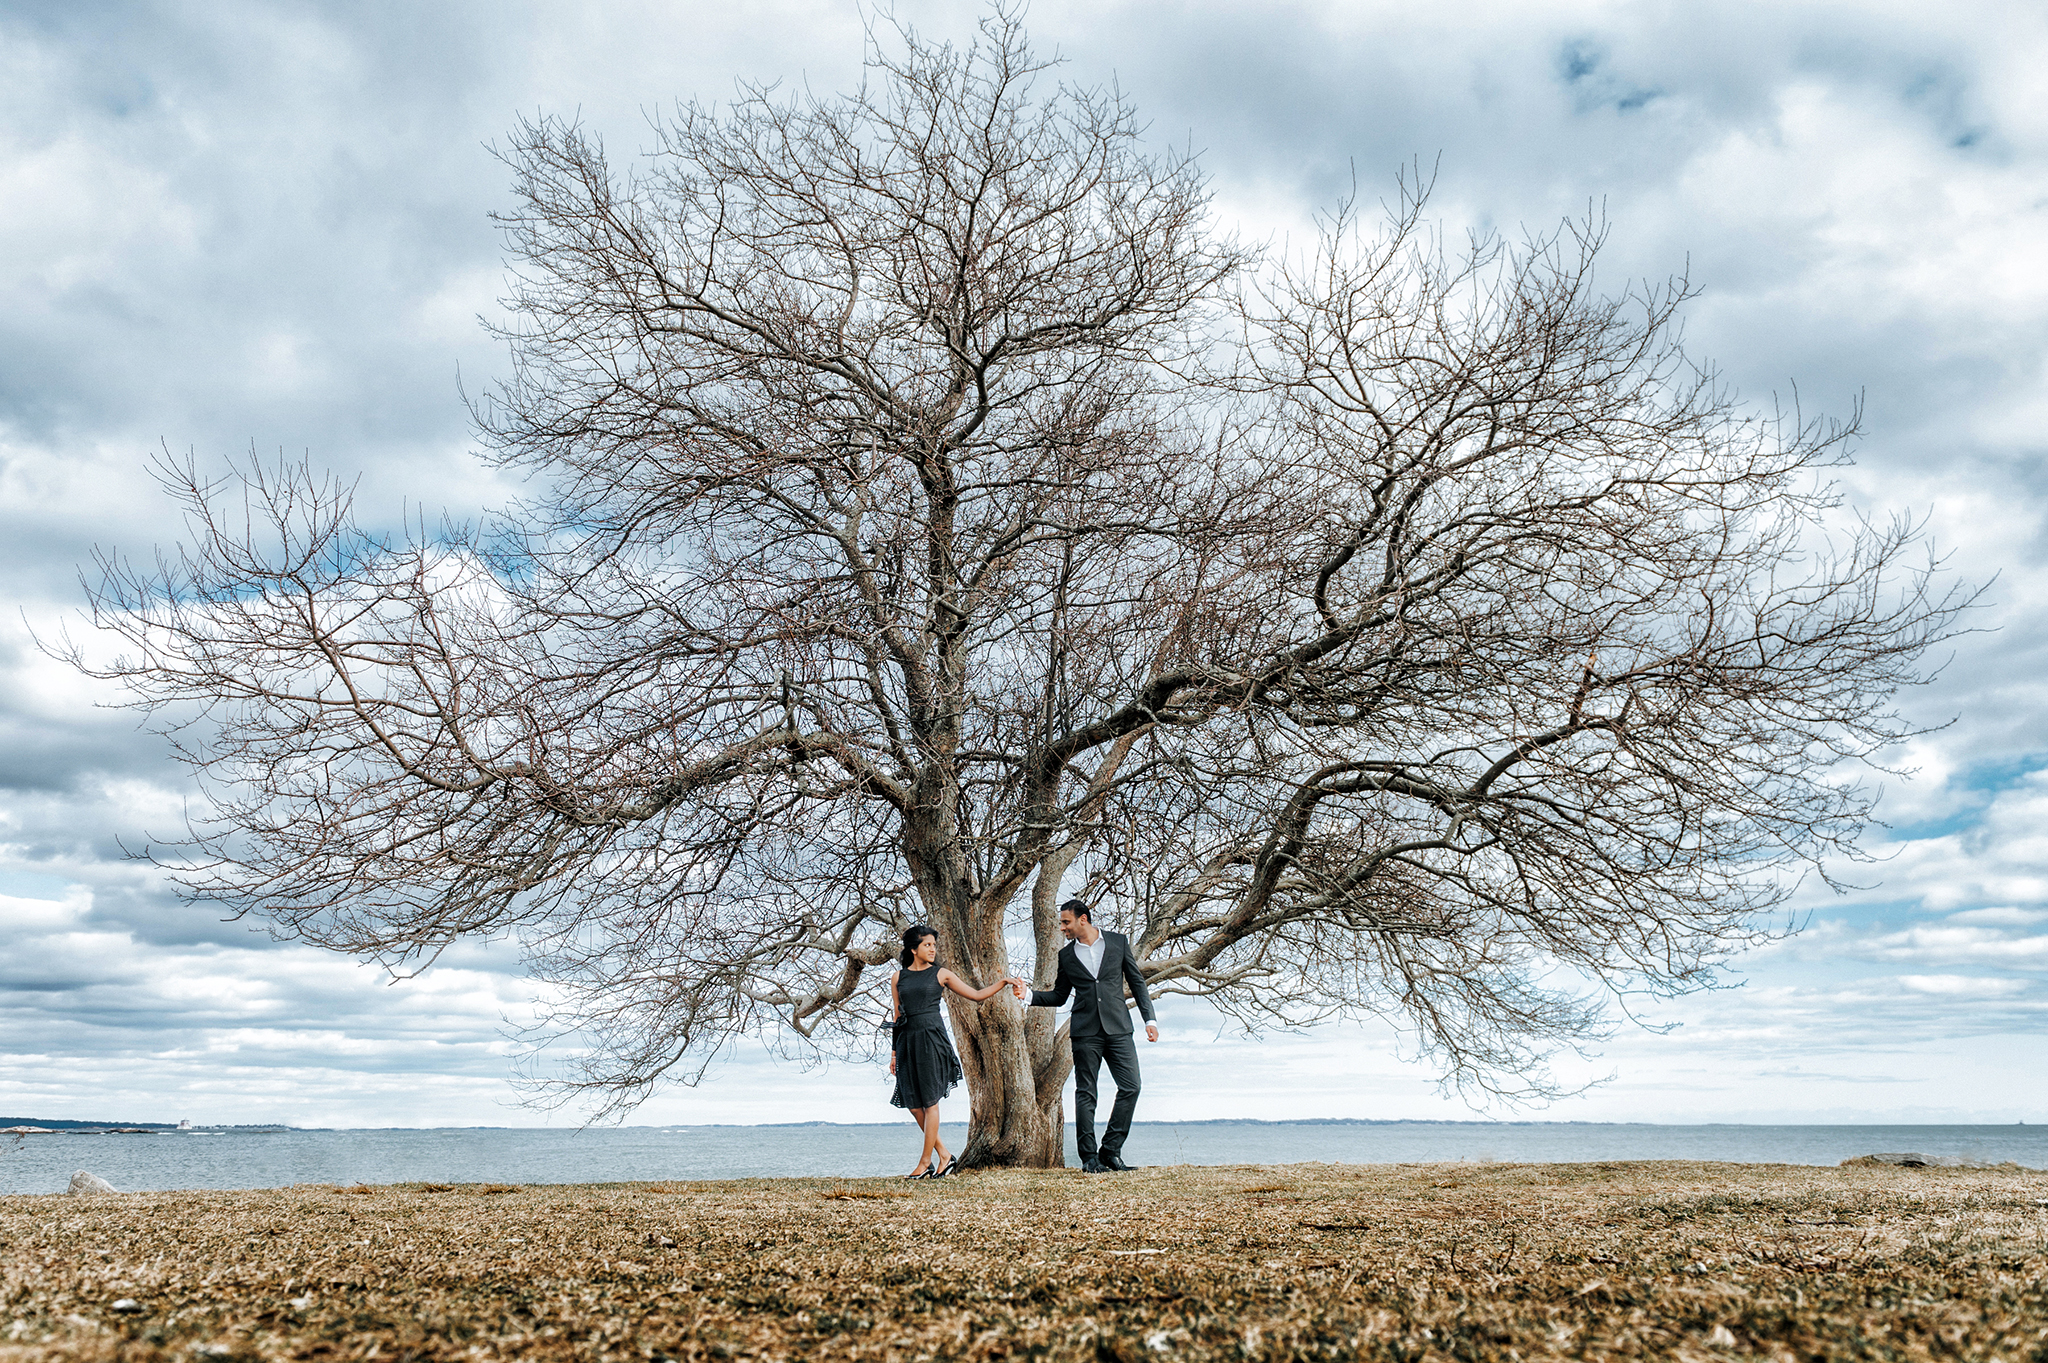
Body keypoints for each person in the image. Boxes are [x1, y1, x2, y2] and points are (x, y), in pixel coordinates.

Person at [1018, 898, 1157, 1172]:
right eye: (1061, 923)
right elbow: (1059, 996)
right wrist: (1029, 995)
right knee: (1086, 1092)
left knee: (1131, 1086)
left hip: (1119, 1028)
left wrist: (1149, 1019)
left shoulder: (1118, 943)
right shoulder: (1066, 956)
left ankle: (1111, 1151)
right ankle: (1089, 1159)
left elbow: (1137, 982)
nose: (1062, 928)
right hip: (1085, 1032)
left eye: (1066, 922)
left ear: (1083, 919)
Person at [889, 924, 1024, 1178]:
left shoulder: (941, 974)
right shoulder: (898, 978)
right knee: (913, 1104)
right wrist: (894, 1054)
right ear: (913, 948)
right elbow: (897, 1017)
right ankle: (945, 1155)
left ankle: (924, 1163)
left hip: (932, 1040)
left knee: (930, 1102)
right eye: (927, 945)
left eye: (934, 945)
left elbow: (975, 995)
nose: (932, 949)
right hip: (907, 1042)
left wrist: (1003, 981)